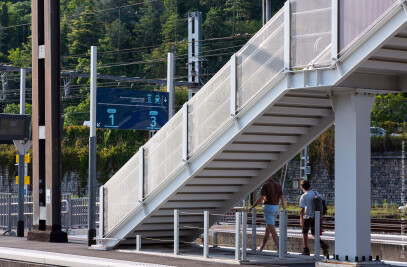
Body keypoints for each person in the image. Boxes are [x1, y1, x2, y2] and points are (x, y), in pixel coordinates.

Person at [251, 176, 286, 252]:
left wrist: (253, 206)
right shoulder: (278, 185)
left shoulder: (265, 185)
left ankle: (280, 248)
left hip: (268, 207)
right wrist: (284, 209)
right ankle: (262, 247)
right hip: (276, 207)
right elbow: (282, 197)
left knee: (272, 229)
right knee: (268, 229)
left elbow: (261, 197)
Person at [299, 180, 329, 256]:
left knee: (305, 232)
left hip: (307, 216)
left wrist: (301, 219)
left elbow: (302, 209)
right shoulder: (316, 193)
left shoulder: (304, 196)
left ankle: (306, 250)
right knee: (314, 233)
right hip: (316, 216)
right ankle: (323, 244)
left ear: (302, 187)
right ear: (310, 186)